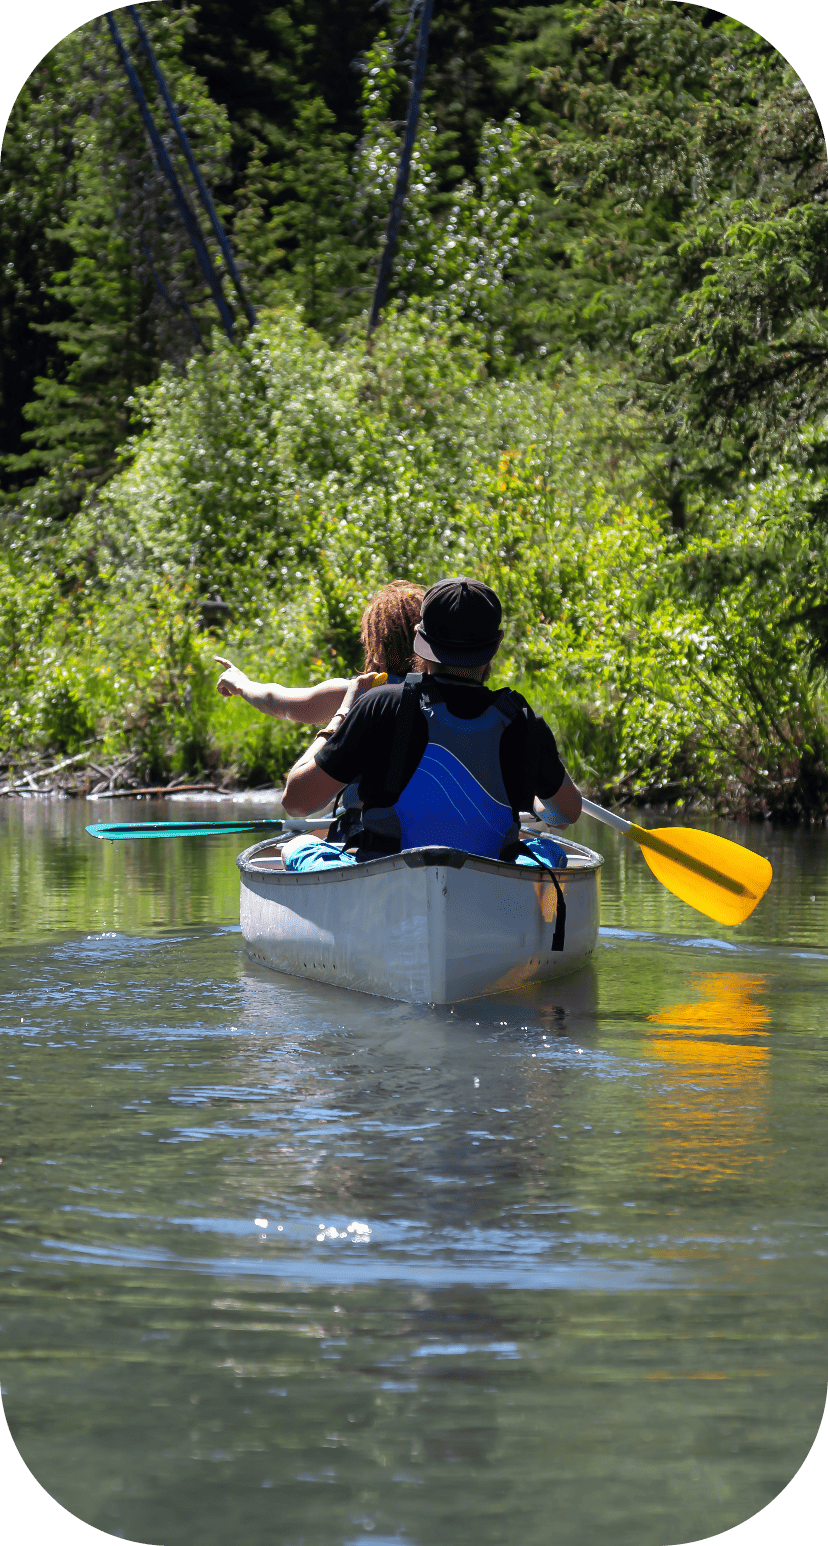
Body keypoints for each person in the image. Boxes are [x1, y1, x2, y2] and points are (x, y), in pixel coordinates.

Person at [281, 577, 581, 870]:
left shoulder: (381, 704)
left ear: (419, 637)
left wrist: (343, 712)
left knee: (296, 845)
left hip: (387, 877)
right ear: (497, 642)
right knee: (548, 848)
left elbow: (296, 802)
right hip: (489, 876)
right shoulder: (521, 718)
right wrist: (540, 804)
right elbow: (567, 812)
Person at [214, 579, 425, 723]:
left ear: (377, 646)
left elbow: (275, 702)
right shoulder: (447, 690)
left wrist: (241, 684)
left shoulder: (356, 694)